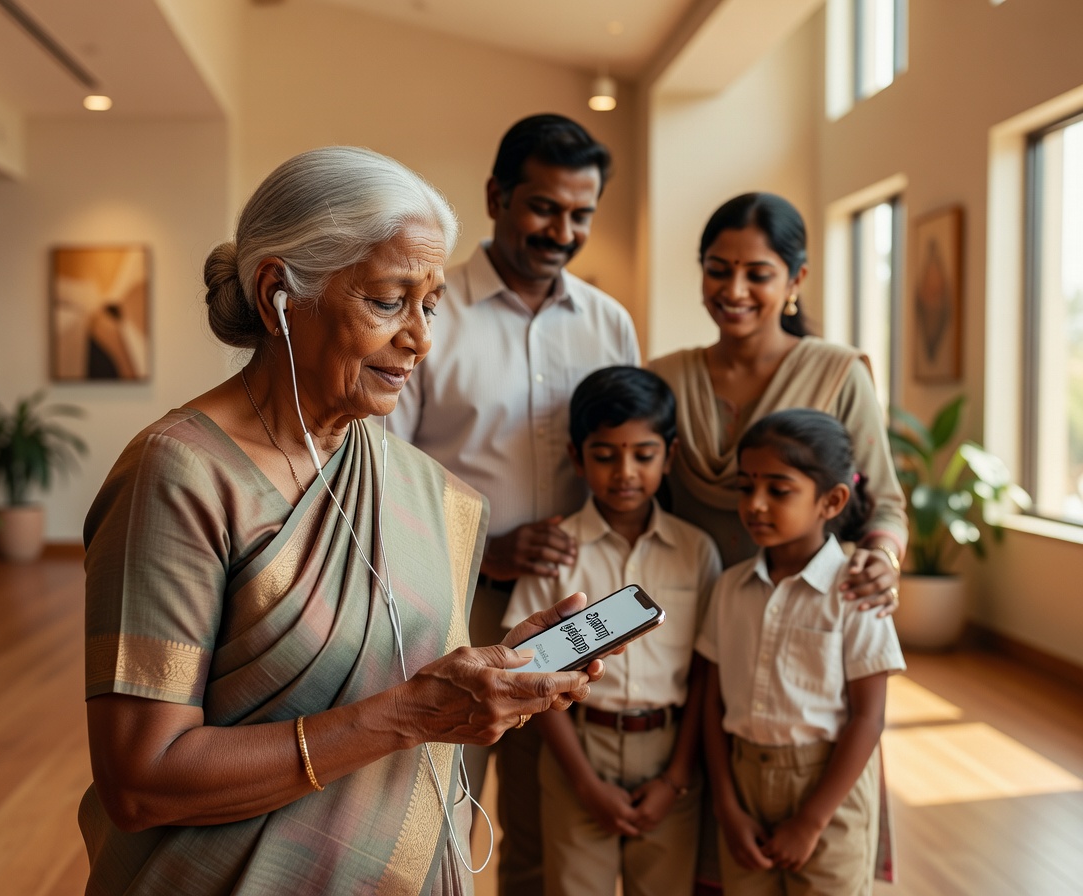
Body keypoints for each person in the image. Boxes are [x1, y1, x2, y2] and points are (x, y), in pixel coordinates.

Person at [78, 146, 608, 896]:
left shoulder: (424, 490)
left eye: (431, 304)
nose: (422, 338)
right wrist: (410, 715)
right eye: (390, 301)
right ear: (277, 295)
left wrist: (491, 675)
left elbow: (397, 672)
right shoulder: (182, 475)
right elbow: (142, 780)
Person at [389, 113, 640, 895]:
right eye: (543, 207)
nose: (561, 231)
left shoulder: (609, 323)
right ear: (497, 196)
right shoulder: (430, 314)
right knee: (436, 809)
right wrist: (487, 547)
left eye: (580, 215)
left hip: (568, 612)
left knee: (545, 820)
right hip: (452, 605)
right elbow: (383, 468)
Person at [502, 366, 721, 896]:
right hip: (578, 749)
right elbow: (531, 673)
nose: (625, 471)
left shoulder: (697, 553)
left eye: (643, 455)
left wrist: (675, 778)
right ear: (577, 457)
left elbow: (704, 673)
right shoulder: (555, 552)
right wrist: (582, 780)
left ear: (668, 456)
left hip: (670, 755)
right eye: (605, 455)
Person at [647, 192, 906, 606]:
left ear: (795, 279)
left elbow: (884, 504)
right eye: (718, 270)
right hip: (679, 602)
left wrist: (882, 558)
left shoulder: (837, 374)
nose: (734, 290)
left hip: (803, 604)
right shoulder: (664, 377)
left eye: (758, 274)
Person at [697, 408, 906, 895]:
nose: (756, 504)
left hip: (828, 789)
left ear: (831, 500)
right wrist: (728, 807)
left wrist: (811, 820)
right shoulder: (729, 588)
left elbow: (868, 718)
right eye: (746, 487)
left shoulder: (856, 591)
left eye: (779, 489)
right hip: (743, 782)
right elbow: (711, 702)